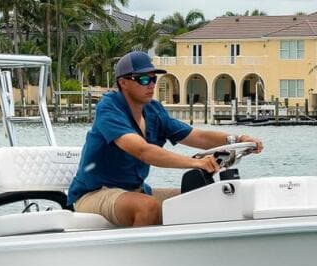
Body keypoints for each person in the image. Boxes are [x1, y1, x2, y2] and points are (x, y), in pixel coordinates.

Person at [67, 51, 264, 227]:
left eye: (153, 78)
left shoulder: (154, 110)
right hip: (94, 193)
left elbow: (197, 136)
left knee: (203, 200)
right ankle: (138, 263)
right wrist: (197, 164)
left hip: (136, 190)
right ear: (123, 82)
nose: (151, 84)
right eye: (143, 79)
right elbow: (143, 151)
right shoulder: (109, 108)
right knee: (147, 207)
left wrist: (237, 139)